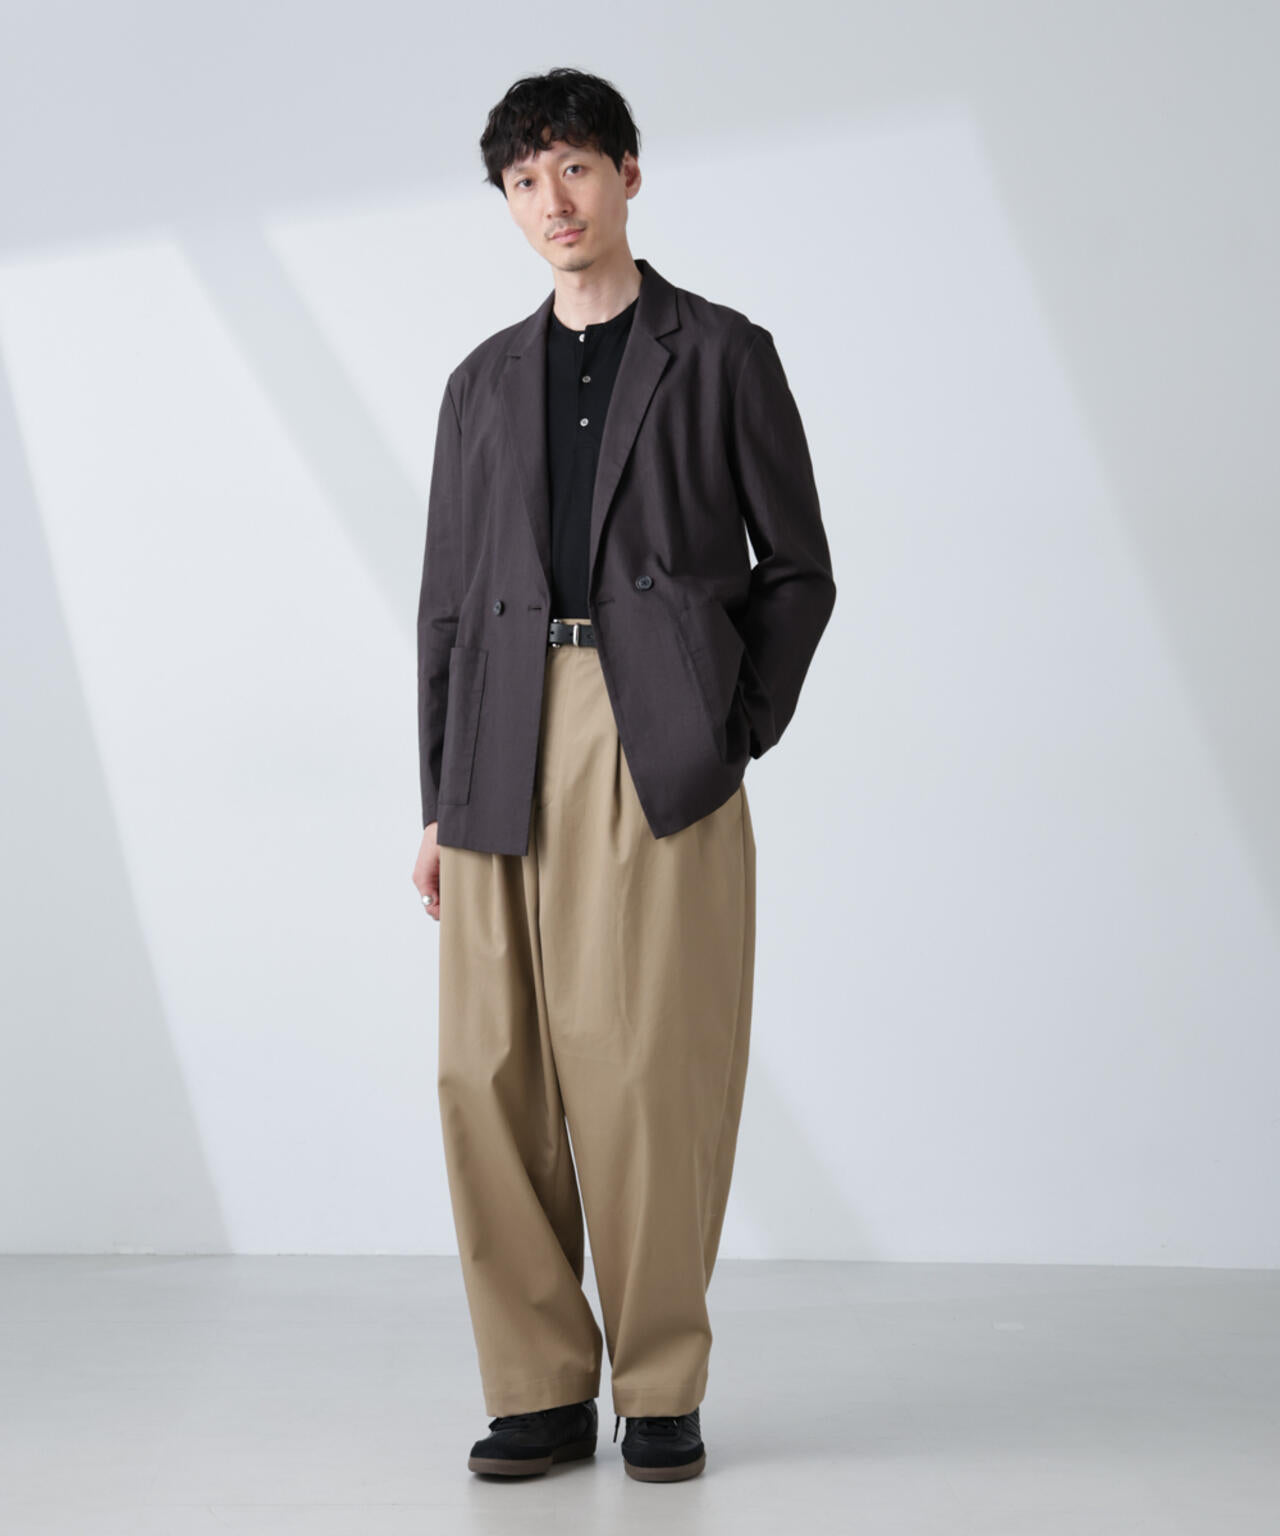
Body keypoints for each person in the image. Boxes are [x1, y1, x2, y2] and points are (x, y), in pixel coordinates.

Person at [410, 67, 836, 1482]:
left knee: (648, 1070)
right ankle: (536, 1387)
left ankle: (659, 1385)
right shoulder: (481, 383)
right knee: (489, 1073)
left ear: (629, 175)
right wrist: (436, 801)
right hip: (496, 736)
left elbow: (799, 571)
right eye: (525, 181)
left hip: (652, 739)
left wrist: (725, 727)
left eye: (576, 168)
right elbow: (448, 607)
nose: (554, 201)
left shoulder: (720, 353)